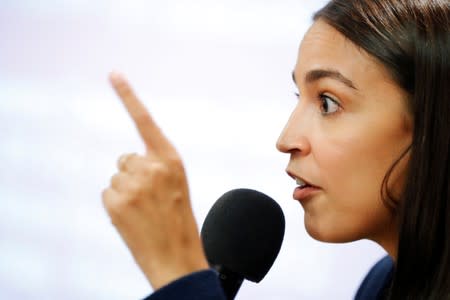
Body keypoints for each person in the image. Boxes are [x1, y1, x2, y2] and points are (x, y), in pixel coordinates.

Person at [101, 0, 449, 299]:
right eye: (299, 97)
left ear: (436, 121)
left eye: (327, 102)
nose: (286, 139)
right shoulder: (383, 283)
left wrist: (178, 274)